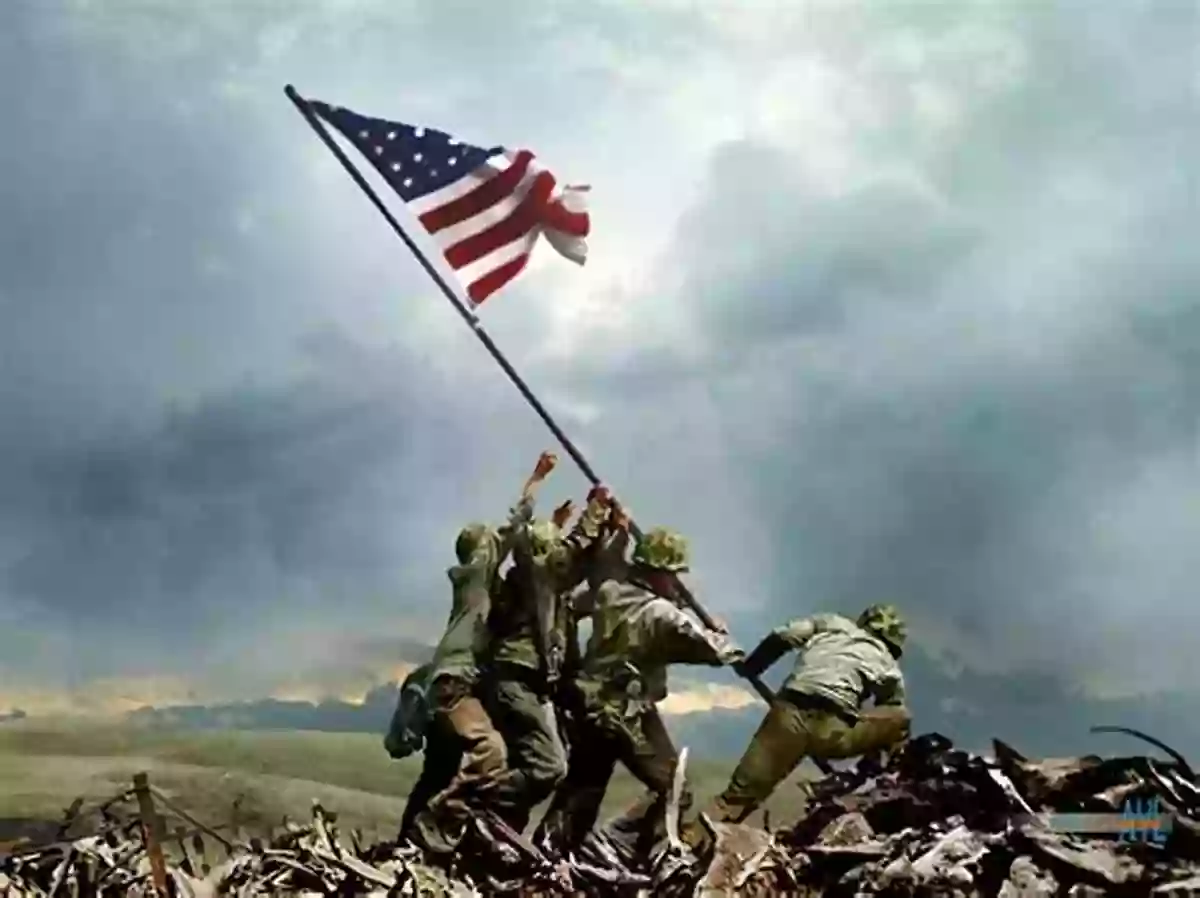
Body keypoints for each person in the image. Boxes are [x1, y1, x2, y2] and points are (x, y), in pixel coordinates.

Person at [534, 504, 744, 862]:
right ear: (660, 573)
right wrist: (722, 636)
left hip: (590, 706)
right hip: (626, 713)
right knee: (675, 789)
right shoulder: (660, 615)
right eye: (675, 575)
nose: (679, 583)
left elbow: (585, 593)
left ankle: (548, 855)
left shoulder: (610, 591)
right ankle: (626, 852)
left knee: (583, 788)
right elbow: (714, 651)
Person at [403, 453, 557, 853]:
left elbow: (527, 557)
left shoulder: (478, 586)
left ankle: (411, 839)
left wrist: (554, 525)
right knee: (491, 752)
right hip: (455, 683)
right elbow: (514, 528)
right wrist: (536, 478)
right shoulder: (474, 576)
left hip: (460, 684)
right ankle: (439, 822)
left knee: (438, 768)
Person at [683, 603, 911, 844]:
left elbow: (783, 635)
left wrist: (753, 666)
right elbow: (891, 710)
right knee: (901, 719)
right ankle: (885, 776)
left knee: (736, 799)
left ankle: (683, 849)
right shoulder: (888, 664)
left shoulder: (831, 624)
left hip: (787, 716)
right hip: (832, 731)